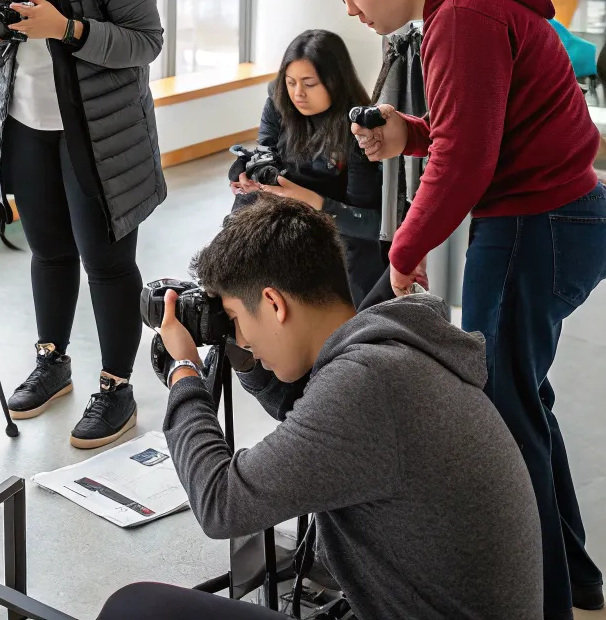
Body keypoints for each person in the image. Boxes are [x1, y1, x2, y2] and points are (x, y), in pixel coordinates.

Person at [325, 0, 606, 619]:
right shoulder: (471, 0)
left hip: (532, 224)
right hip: (557, 214)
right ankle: (571, 581)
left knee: (506, 420)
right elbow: (477, 125)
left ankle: (539, 602)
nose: (352, 10)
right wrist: (409, 133)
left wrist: (406, 247)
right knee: (522, 403)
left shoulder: (462, 17)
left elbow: (469, 158)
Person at [98, 197, 543, 620]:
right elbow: (306, 406)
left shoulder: (365, 386)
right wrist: (244, 350)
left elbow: (221, 503)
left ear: (273, 303)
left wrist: (183, 373)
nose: (242, 338)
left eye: (235, 320)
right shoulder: (389, 348)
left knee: (135, 607)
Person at [0, 0, 166, 450]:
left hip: (102, 134)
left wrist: (69, 30)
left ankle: (117, 386)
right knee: (48, 251)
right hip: (26, 123)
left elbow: (145, 43)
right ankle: (52, 363)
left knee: (107, 262)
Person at [230, 29, 384, 305]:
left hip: (342, 246)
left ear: (335, 81)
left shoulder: (360, 131)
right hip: (291, 231)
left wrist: (314, 202)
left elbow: (372, 226)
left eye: (309, 84)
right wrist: (251, 175)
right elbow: (266, 152)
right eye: (290, 82)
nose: (297, 94)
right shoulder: (280, 101)